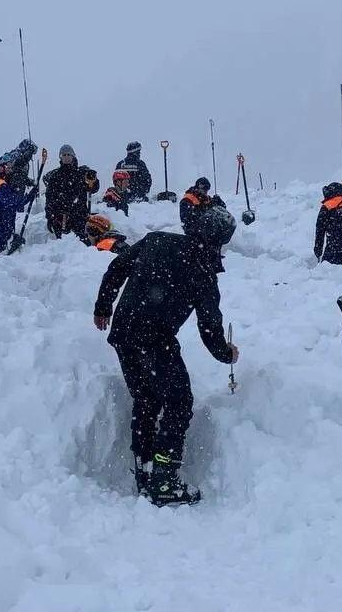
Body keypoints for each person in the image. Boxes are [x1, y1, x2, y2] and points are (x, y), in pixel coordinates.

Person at [93, 205, 239, 507]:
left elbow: (117, 267)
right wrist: (227, 354)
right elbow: (209, 328)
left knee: (146, 400)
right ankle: (164, 478)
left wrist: (103, 306)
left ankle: (144, 468)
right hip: (155, 340)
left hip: (124, 333)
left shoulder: (157, 240)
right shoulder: (204, 272)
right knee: (179, 402)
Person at [0, 154, 39, 257]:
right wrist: (29, 196)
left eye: (11, 166)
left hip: (1, 224)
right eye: (7, 166)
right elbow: (11, 202)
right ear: (0, 168)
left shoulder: (4, 182)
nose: (10, 169)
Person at [43, 145, 99, 240]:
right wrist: (50, 217)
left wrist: (94, 180)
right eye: (64, 155)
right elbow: (50, 199)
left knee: (81, 245)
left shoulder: (81, 173)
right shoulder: (55, 176)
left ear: (73, 156)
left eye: (69, 154)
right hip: (60, 218)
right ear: (60, 157)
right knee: (64, 247)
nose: (67, 157)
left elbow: (93, 189)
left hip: (80, 216)